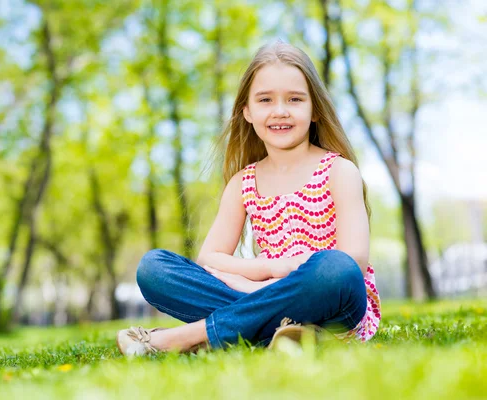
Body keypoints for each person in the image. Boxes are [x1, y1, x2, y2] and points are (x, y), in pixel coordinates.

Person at [116, 40, 381, 356]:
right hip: (263, 292)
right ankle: (287, 332)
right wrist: (264, 278)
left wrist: (263, 285)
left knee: (335, 269)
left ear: (314, 110)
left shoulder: (339, 171)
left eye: (295, 99)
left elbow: (354, 261)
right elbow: (210, 259)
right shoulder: (244, 183)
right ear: (247, 111)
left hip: (331, 301)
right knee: (154, 269)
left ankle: (192, 336)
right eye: (265, 100)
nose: (279, 111)